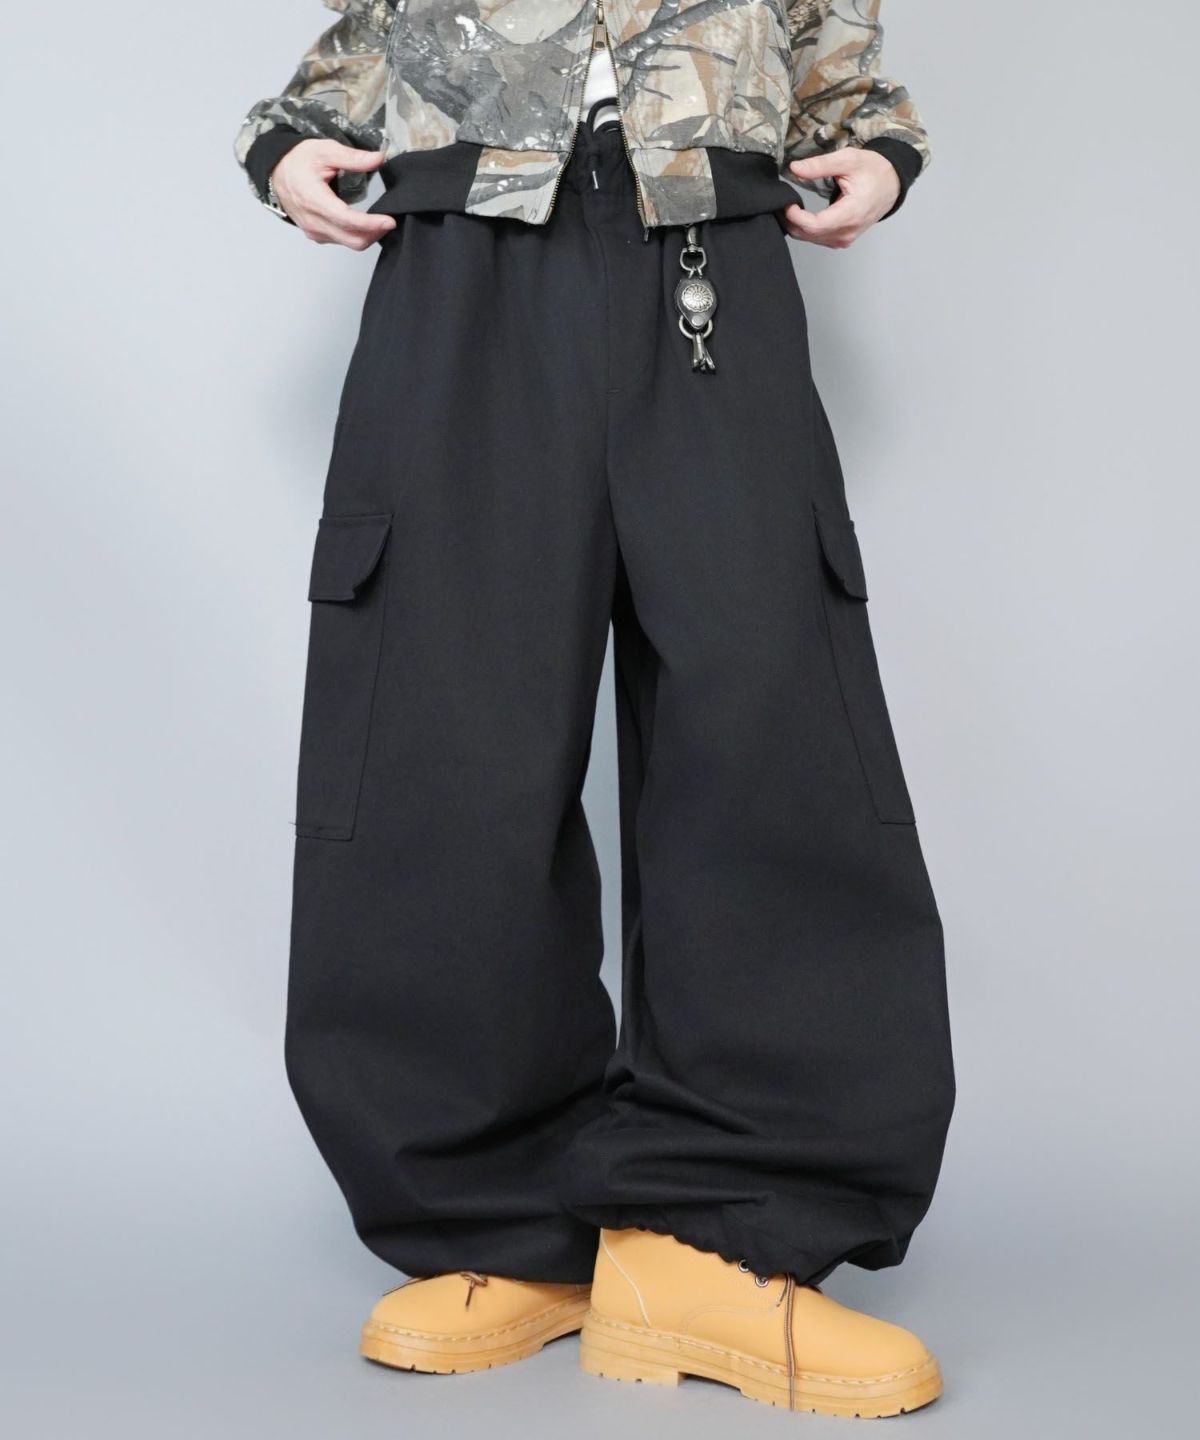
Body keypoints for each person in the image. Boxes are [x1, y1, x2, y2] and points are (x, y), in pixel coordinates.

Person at [234, 0, 954, 1418]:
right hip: (459, 253)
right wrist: (293, 140)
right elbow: (368, 30)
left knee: (770, 733)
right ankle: (506, 1221)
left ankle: (719, 1234)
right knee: (444, 728)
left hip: (714, 248)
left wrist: (872, 141)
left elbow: (826, 36)